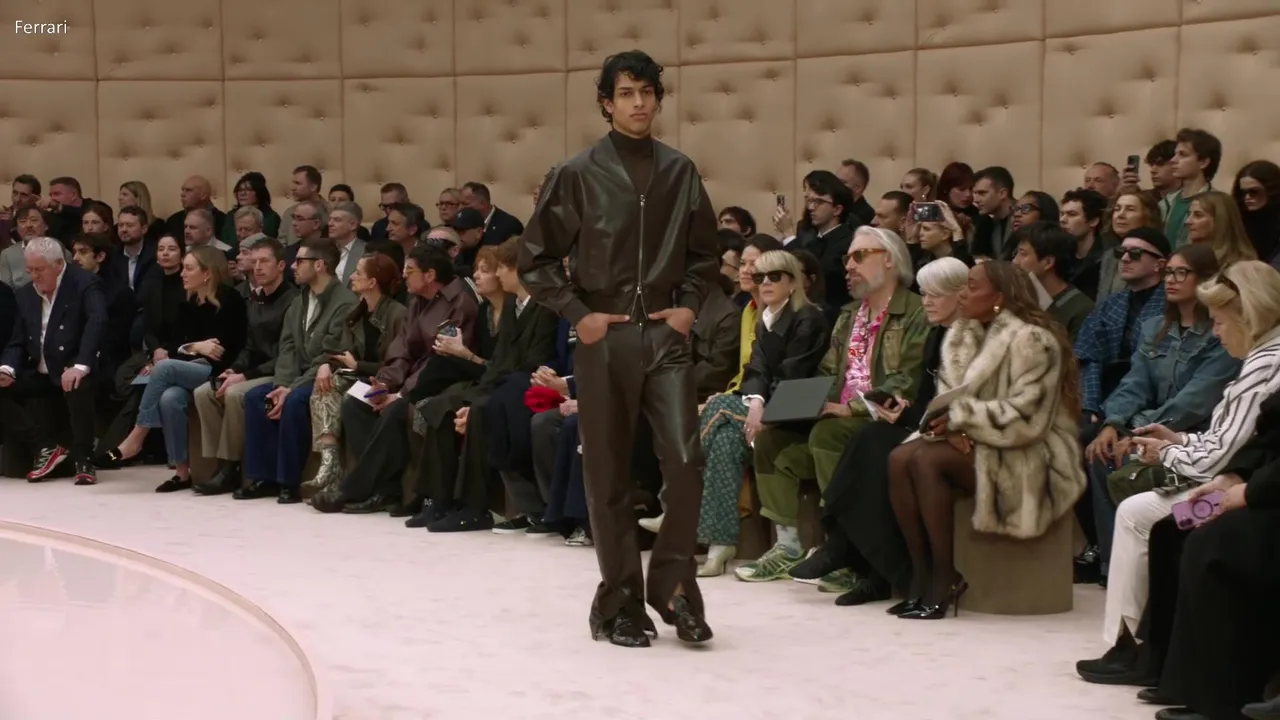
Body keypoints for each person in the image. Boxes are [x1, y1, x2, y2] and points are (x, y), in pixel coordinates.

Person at [518, 50, 721, 648]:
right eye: (626, 93)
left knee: (685, 462)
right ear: (607, 103)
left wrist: (688, 307)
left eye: (646, 92)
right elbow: (535, 260)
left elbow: (705, 253)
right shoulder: (577, 173)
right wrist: (577, 313)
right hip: (604, 336)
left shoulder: (680, 171)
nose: (638, 103)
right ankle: (620, 603)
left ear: (658, 99)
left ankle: (675, 590)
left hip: (664, 334)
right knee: (607, 473)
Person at [1077, 260, 1280, 687]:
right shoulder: (1261, 358)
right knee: (1152, 518)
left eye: (1220, 321)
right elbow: (1227, 444)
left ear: (1248, 316)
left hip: (1241, 492)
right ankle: (1143, 644)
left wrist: (1166, 452)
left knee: (1140, 515)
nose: (1216, 332)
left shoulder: (1264, 363)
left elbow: (1217, 460)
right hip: (1236, 484)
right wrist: (1179, 440)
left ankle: (1133, 644)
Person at [886, 261, 1085, 619]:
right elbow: (949, 399)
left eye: (972, 287)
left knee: (926, 461)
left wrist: (962, 423)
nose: (962, 293)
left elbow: (1027, 416)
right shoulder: (961, 335)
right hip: (980, 439)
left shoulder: (1033, 340)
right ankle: (921, 573)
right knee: (899, 458)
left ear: (999, 298)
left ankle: (945, 577)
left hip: (1032, 449)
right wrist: (948, 425)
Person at [790, 257, 967, 605]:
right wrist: (900, 410)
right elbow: (926, 397)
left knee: (874, 445)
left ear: (960, 295)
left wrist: (923, 416)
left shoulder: (969, 336)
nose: (926, 302)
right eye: (924, 293)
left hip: (955, 429)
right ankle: (861, 559)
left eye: (935, 294)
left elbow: (971, 396)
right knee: (867, 440)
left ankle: (857, 556)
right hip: (929, 423)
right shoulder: (938, 333)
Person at [1080, 243, 1239, 585]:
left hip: (1195, 433)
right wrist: (1113, 423)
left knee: (1128, 464)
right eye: (1169, 272)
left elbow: (1194, 401)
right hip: (1152, 426)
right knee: (1099, 453)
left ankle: (1155, 569)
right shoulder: (1154, 327)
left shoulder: (1219, 333)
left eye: (1182, 273)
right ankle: (1113, 565)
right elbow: (1134, 383)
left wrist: (1135, 432)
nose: (1172, 280)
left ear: (1205, 280)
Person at [104, 247, 247, 492]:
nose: (182, 273)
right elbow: (175, 347)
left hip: (221, 371)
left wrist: (191, 349)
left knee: (164, 367)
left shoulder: (230, 300)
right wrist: (195, 346)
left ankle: (138, 434)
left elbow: (221, 351)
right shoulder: (189, 303)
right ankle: (181, 472)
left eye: (189, 268)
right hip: (190, 369)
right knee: (170, 398)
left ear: (207, 273)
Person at [237, 239, 357, 504]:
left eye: (300, 261)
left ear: (319, 265)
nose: (294, 266)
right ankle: (263, 478)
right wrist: (282, 384)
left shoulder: (345, 302)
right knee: (257, 397)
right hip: (297, 374)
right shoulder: (299, 300)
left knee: (293, 402)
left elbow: (331, 353)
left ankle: (288, 482)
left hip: (326, 374)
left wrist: (290, 389)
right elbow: (287, 346)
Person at [0, 237, 106, 485]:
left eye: (39, 269)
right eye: (30, 270)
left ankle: (84, 459)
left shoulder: (84, 283)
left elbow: (98, 321)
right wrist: (7, 368)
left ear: (59, 264)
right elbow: (17, 340)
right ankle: (45, 447)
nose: (34, 276)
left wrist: (80, 365)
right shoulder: (26, 294)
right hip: (39, 372)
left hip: (73, 367)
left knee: (78, 384)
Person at [304, 252, 406, 495]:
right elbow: (339, 350)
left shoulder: (398, 314)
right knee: (324, 387)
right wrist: (325, 364)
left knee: (351, 399)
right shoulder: (356, 311)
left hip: (385, 382)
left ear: (372, 282)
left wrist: (359, 366)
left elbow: (398, 364)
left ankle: (365, 479)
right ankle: (330, 465)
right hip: (357, 376)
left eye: (358, 273)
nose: (351, 276)